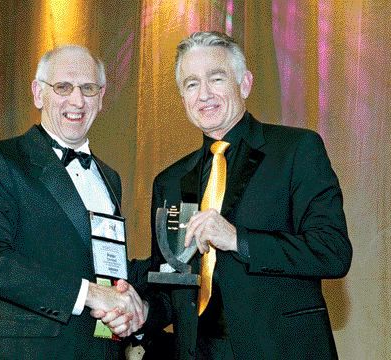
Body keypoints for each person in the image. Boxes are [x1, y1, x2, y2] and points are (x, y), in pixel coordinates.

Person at [139, 31, 352, 359]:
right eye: (191, 84)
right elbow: (172, 284)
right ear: (182, 98)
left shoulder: (296, 150)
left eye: (216, 78)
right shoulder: (169, 181)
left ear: (245, 83)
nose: (204, 94)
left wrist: (238, 239)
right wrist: (137, 311)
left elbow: (332, 251)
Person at [0, 45, 145, 359]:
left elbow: (104, 264)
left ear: (101, 98)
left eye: (88, 88)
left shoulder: (110, 177)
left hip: (101, 350)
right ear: (38, 93)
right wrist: (90, 294)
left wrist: (130, 309)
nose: (77, 100)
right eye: (63, 87)